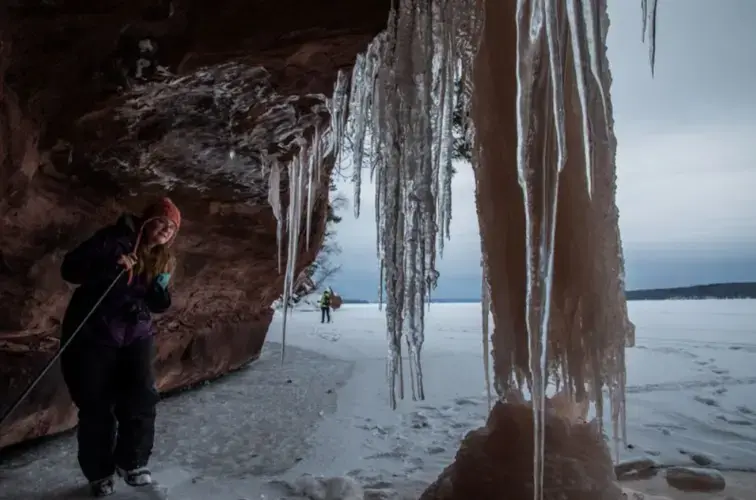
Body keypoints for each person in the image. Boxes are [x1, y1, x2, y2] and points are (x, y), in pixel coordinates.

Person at [59, 197, 181, 497]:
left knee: (141, 395)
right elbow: (71, 269)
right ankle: (99, 472)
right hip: (94, 331)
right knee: (96, 403)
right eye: (162, 222)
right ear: (148, 220)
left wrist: (160, 295)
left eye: (172, 227)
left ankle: (133, 462)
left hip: (135, 333)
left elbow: (157, 303)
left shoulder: (164, 259)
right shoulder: (113, 240)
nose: (166, 230)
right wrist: (110, 265)